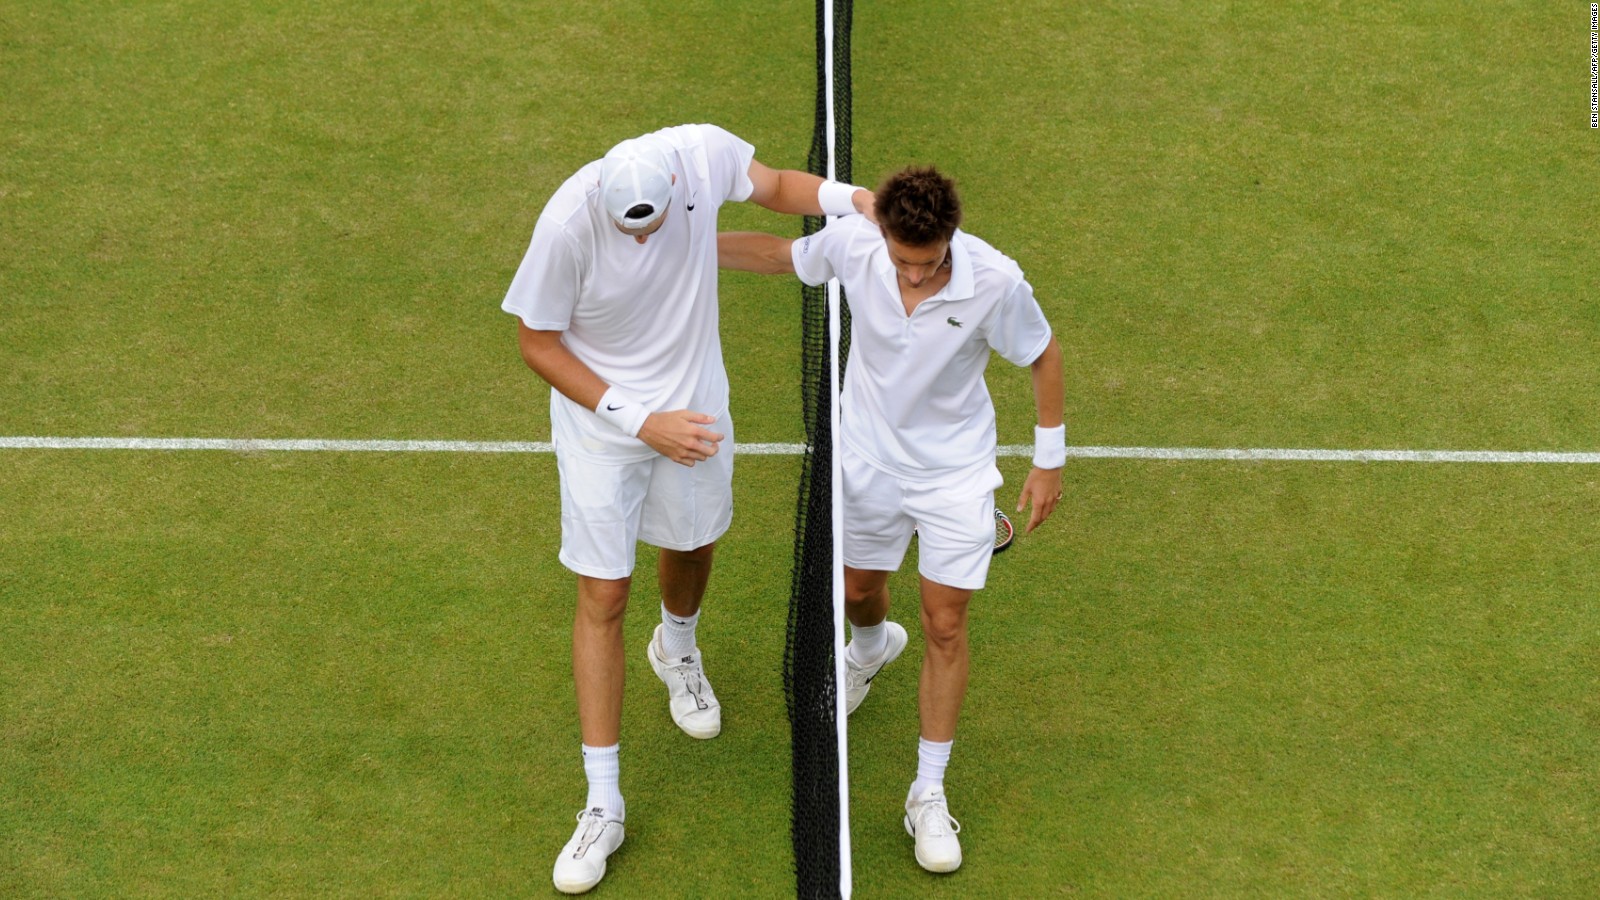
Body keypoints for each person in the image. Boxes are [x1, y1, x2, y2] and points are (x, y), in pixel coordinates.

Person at [501, 123, 873, 895]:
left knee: (695, 547)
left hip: (696, 412)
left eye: (654, 227)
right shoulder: (566, 225)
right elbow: (537, 343)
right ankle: (604, 802)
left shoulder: (698, 154)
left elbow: (773, 187)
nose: (640, 243)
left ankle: (677, 649)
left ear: (675, 193)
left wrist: (854, 200)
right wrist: (640, 422)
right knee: (603, 592)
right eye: (625, 230)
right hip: (605, 428)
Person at [717, 165, 1065, 874]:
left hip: (954, 475)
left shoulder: (996, 279)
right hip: (868, 461)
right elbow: (781, 256)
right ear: (881, 232)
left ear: (950, 237)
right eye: (903, 262)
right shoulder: (853, 245)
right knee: (857, 594)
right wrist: (686, 247)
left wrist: (1048, 460)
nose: (914, 277)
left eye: (928, 262)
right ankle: (871, 649)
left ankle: (928, 793)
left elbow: (1041, 353)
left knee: (945, 623)